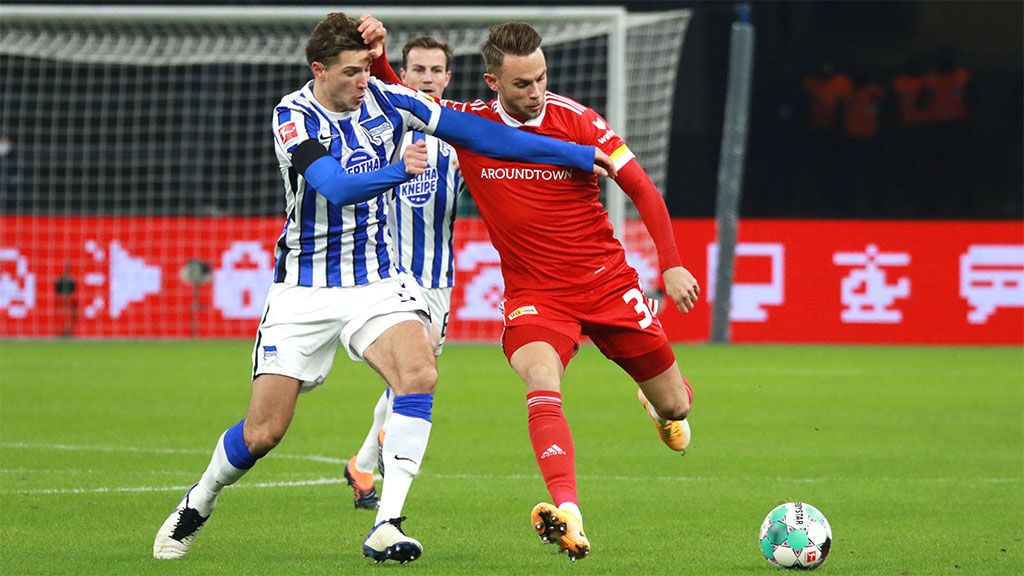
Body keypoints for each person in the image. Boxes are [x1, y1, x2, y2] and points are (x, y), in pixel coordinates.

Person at [151, 12, 615, 565]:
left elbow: (484, 134)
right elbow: (335, 186)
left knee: (419, 373)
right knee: (264, 432)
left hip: (375, 277)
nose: (362, 82)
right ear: (319, 70)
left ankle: (386, 523)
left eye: (366, 69)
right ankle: (200, 499)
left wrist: (577, 154)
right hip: (304, 287)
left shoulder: (388, 99)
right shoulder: (292, 115)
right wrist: (400, 170)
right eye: (351, 72)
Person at [369, 20, 699, 562]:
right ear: (493, 82)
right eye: (523, 83)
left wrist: (672, 265)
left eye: (542, 78)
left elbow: (641, 187)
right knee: (541, 378)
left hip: (607, 285)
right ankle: (569, 511)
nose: (537, 91)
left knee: (677, 404)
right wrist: (380, 55)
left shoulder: (580, 122)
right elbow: (405, 100)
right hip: (536, 296)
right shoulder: (471, 125)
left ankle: (658, 404)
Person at [342, 35, 463, 510]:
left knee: (409, 378)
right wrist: (377, 55)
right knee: (418, 369)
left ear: (448, 78)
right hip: (391, 274)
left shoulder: (459, 137)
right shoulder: (387, 128)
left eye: (435, 70)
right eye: (418, 70)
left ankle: (363, 465)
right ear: (404, 75)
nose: (427, 78)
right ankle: (385, 464)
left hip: (439, 278)